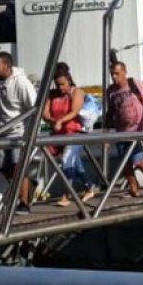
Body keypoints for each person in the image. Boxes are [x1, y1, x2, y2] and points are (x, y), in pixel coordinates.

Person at [0, 52, 38, 213]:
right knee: (2, 167)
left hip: (18, 131)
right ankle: (29, 185)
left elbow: (34, 107)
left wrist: (33, 132)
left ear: (7, 65)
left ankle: (24, 203)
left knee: (17, 166)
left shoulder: (21, 83)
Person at [42, 64, 91, 206]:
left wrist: (61, 121)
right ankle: (90, 187)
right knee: (76, 164)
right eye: (57, 85)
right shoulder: (52, 94)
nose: (60, 88)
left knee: (66, 160)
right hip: (58, 134)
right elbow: (45, 113)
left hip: (75, 133)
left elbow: (75, 111)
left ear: (69, 80)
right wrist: (54, 121)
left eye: (62, 84)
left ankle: (66, 195)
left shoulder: (77, 92)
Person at [106, 60, 143, 197]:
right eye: (112, 74)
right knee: (125, 162)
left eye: (117, 73)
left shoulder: (134, 83)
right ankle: (134, 186)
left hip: (137, 129)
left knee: (137, 159)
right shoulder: (110, 90)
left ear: (124, 72)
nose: (114, 77)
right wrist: (106, 132)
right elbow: (110, 112)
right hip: (121, 130)